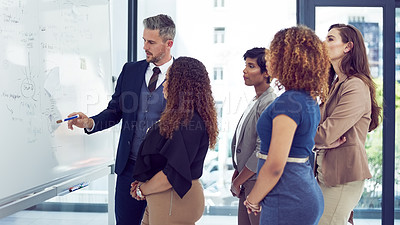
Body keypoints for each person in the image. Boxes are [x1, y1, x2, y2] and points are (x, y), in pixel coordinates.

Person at [66, 14, 176, 225]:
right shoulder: (131, 70)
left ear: (168, 44)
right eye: (144, 40)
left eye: (151, 42)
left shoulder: (182, 75)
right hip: (129, 169)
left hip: (164, 172)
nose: (145, 46)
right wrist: (90, 122)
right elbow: (115, 110)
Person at [244, 25, 330, 225]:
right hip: (297, 192)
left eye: (273, 52)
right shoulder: (306, 98)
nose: (269, 58)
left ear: (286, 58)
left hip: (288, 197)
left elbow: (275, 164)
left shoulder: (289, 102)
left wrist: (253, 198)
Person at [129, 56, 218, 225]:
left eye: (168, 79)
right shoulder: (180, 118)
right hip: (164, 199)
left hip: (172, 199)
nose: (164, 84)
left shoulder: (188, 122)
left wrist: (143, 189)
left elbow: (172, 174)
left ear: (181, 84)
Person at [314, 23, 382, 225]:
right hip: (327, 173)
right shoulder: (336, 84)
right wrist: (320, 141)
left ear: (348, 47)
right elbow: (317, 131)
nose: (323, 42)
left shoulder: (355, 85)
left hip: (342, 176)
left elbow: (325, 134)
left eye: (330, 38)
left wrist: (319, 140)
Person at [230, 47, 276, 225]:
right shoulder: (256, 99)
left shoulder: (269, 102)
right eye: (245, 65)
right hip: (247, 179)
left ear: (266, 72)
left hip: (256, 181)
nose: (245, 70)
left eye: (251, 66)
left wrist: (237, 182)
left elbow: (261, 150)